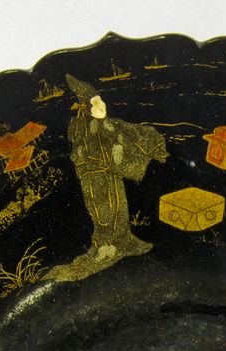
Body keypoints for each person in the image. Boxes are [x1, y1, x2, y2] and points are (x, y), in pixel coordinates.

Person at [46, 76, 167, 282]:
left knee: (119, 207)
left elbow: (129, 134)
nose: (101, 107)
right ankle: (105, 247)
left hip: (111, 173)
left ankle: (123, 242)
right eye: (94, 104)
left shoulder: (107, 124)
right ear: (85, 108)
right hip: (93, 177)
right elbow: (80, 154)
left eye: (100, 101)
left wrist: (137, 147)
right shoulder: (81, 128)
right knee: (103, 212)